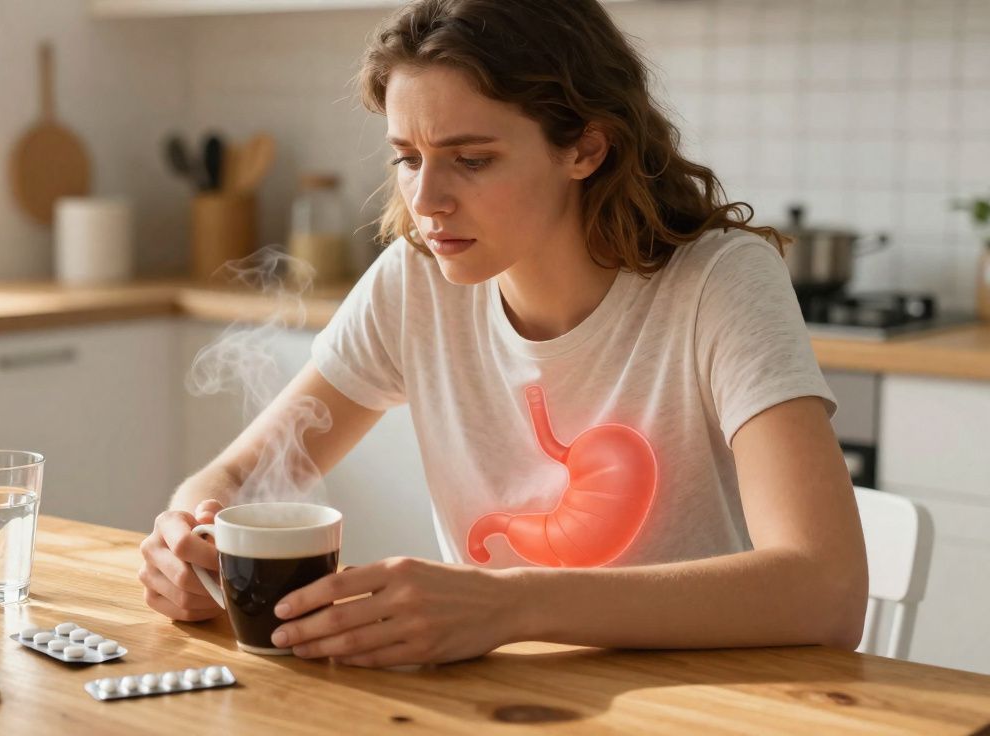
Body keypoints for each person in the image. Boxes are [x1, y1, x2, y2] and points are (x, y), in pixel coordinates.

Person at [138, 0, 868, 668]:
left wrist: (513, 602)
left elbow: (826, 589)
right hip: (497, 703)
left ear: (585, 148)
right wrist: (190, 537)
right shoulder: (415, 283)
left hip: (701, 698)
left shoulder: (717, 282)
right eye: (406, 158)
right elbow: (232, 479)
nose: (425, 201)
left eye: (472, 160)